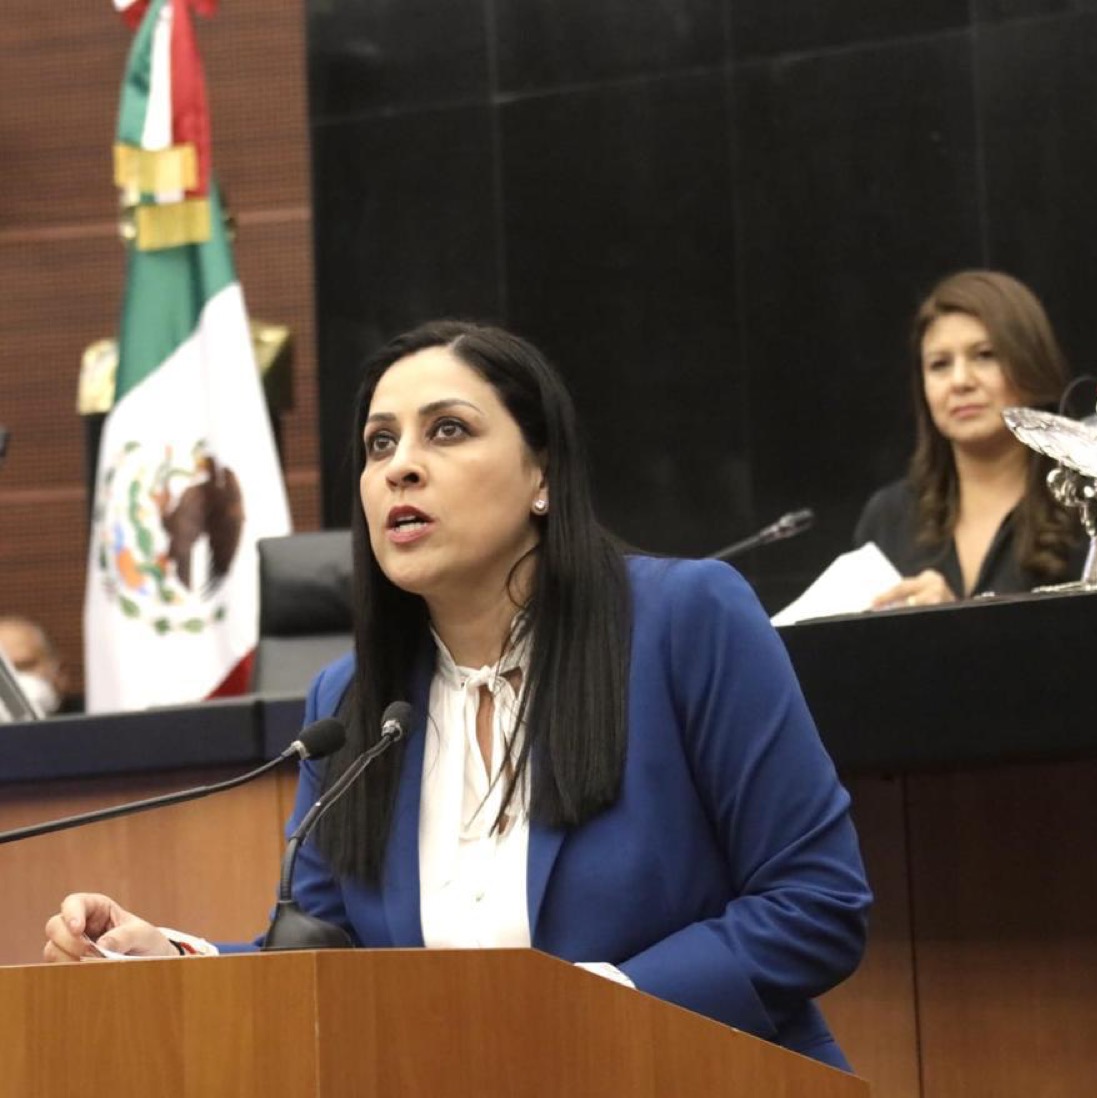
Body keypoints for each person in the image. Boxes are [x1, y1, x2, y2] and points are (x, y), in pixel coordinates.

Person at [44, 320, 872, 1069]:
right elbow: (325, 960)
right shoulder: (352, 706)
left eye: (447, 430)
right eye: (379, 444)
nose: (400, 465)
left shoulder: (686, 622)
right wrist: (171, 960)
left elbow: (816, 904)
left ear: (543, 473)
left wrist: (595, 1008)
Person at [855, 270, 1084, 606]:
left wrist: (952, 623)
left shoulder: (1092, 506)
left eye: (985, 355)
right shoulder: (889, 516)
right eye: (940, 365)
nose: (960, 381)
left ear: (1031, 364)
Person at [0, 615, 69, 717]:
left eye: (23, 666)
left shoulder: (92, 718)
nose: (11, 682)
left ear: (61, 673)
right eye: (2, 674)